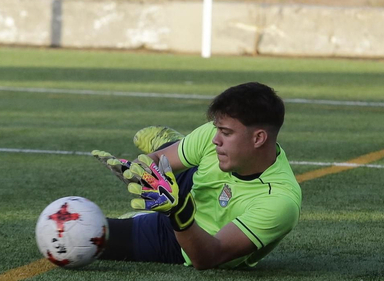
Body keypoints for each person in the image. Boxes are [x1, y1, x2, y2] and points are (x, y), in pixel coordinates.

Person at [92, 82, 301, 269]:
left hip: (186, 236)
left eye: (226, 133)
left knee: (93, 237)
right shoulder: (214, 137)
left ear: (258, 138)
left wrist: (178, 214)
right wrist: (138, 173)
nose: (215, 139)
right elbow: (155, 159)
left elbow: (209, 257)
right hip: (192, 189)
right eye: (217, 129)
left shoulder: (280, 201)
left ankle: (178, 150)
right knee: (171, 165)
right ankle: (174, 143)